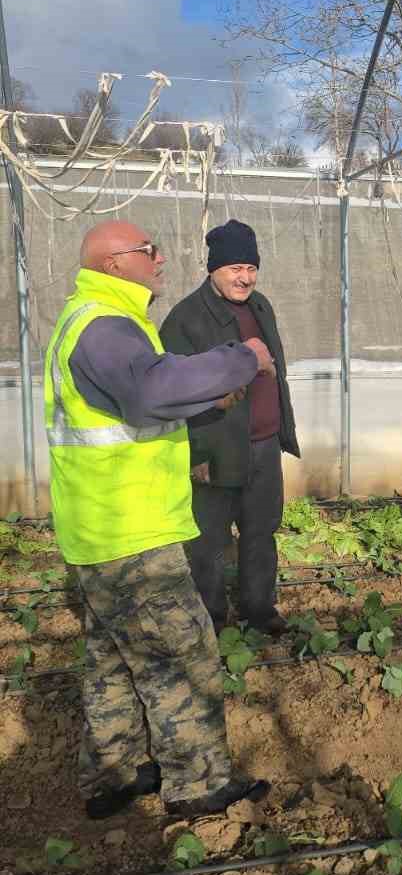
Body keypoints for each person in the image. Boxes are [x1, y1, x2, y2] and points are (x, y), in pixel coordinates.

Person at [44, 219, 274, 821]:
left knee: (113, 658)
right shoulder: (105, 324)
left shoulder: (92, 319)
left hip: (100, 527)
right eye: (149, 250)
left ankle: (112, 775)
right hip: (131, 529)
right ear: (115, 261)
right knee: (184, 654)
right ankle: (197, 786)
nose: (161, 258)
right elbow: (148, 391)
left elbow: (135, 405)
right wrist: (239, 361)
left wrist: (201, 399)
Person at [160, 220, 299, 636]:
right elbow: (174, 393)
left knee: (261, 531)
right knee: (208, 542)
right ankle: (212, 620)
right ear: (213, 269)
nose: (245, 277)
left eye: (251, 268)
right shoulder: (185, 319)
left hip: (263, 445)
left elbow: (274, 371)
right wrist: (196, 454)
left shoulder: (262, 307)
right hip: (216, 448)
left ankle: (259, 611)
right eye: (235, 268)